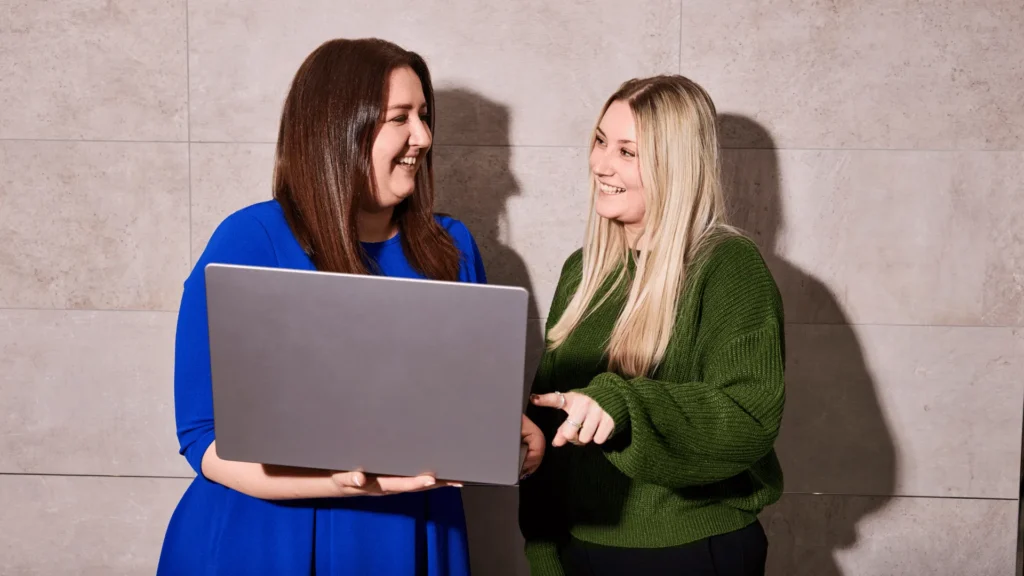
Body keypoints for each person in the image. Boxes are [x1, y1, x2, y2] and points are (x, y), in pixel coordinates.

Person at [157, 37, 546, 575]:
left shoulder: (450, 248)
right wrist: (336, 481)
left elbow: (461, 408)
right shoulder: (249, 239)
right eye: (400, 118)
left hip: (410, 539)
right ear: (339, 129)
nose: (424, 137)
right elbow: (204, 439)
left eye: (425, 116)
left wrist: (510, 435)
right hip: (266, 543)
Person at [518, 75, 785, 576]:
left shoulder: (728, 266)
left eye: (627, 152)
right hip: (579, 551)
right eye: (600, 141)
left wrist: (622, 404)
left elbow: (749, 417)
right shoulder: (584, 269)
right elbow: (553, 421)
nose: (601, 164)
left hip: (690, 554)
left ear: (676, 165)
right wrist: (545, 550)